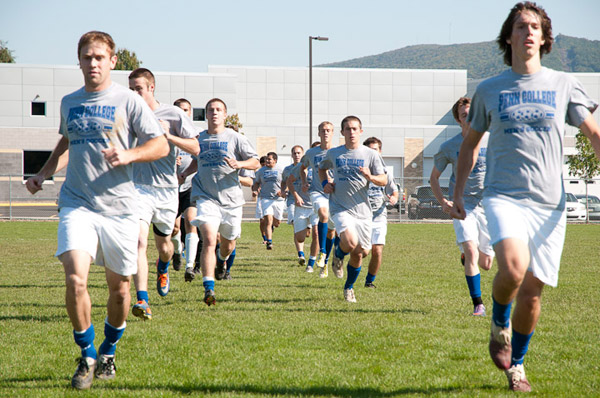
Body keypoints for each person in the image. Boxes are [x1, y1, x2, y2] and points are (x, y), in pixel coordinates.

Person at [450, 2, 600, 392]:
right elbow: (469, 146)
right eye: (521, 26)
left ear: (545, 37)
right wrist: (459, 192)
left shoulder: (564, 84)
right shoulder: (489, 89)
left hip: (550, 205)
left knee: (532, 294)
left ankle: (516, 364)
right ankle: (498, 321)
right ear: (509, 37)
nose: (529, 31)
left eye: (535, 26)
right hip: (503, 197)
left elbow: (593, 132)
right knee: (513, 270)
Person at [25, 31, 169, 390]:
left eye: (99, 57)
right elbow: (67, 141)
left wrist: (130, 155)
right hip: (77, 203)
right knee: (75, 278)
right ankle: (86, 353)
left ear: (112, 60)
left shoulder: (128, 101)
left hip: (120, 209)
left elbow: (161, 145)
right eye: (87, 57)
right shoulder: (69, 102)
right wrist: (43, 173)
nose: (93, 63)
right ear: (79, 61)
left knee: (119, 290)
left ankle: (108, 350)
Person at [128, 68, 199, 321]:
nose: (134, 93)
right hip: (138, 188)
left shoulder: (173, 114)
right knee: (138, 242)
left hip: (167, 190)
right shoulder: (127, 114)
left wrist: (168, 136)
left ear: (151, 88)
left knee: (165, 247)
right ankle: (142, 299)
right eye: (131, 89)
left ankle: (164, 265)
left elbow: (196, 147)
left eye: (138, 89)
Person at [181, 98, 259, 305]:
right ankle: (209, 289)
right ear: (206, 115)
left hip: (232, 200)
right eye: (210, 110)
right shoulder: (200, 140)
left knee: (228, 244)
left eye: (218, 110)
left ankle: (222, 261)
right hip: (206, 197)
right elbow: (197, 164)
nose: (214, 113)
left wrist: (239, 163)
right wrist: (183, 175)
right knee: (208, 239)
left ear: (225, 115)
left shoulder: (235, 138)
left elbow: (256, 162)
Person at [430, 97, 494, 316]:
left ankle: (468, 258)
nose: (470, 118)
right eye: (465, 115)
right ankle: (478, 304)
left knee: (486, 263)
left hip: (487, 206)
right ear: (458, 120)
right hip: (462, 205)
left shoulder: (492, 141)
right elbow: (434, 179)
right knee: (470, 249)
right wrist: (443, 202)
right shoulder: (449, 147)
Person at [319, 116, 386, 303]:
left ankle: (348, 287)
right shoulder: (334, 154)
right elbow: (321, 169)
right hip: (340, 207)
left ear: (361, 131)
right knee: (349, 242)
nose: (351, 132)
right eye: (348, 129)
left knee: (360, 253)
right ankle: (338, 255)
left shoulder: (371, 155)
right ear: (342, 133)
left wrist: (370, 176)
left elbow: (384, 179)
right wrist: (325, 183)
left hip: (363, 211)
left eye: (355, 129)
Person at [300, 122, 337, 278]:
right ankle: (321, 251)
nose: (326, 133)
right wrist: (304, 182)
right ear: (319, 133)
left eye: (328, 130)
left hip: (335, 195)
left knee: (331, 231)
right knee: (323, 214)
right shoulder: (311, 153)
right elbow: (302, 167)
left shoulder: (338, 152)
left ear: (333, 133)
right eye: (323, 131)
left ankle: (325, 261)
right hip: (317, 192)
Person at [363, 137, 399, 288]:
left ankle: (369, 281)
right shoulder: (359, 171)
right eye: (370, 150)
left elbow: (394, 190)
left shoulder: (385, 172)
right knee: (363, 252)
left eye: (376, 149)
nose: (373, 153)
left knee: (377, 251)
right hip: (361, 217)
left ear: (380, 151)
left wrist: (394, 198)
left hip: (379, 216)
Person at [170, 98, 198, 272]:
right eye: (179, 110)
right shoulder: (165, 134)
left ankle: (190, 265)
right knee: (173, 229)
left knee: (190, 221)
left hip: (191, 185)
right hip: (170, 187)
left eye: (186, 110)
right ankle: (178, 250)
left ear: (191, 113)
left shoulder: (198, 134)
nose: (182, 113)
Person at [287, 144, 320, 272]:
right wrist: (296, 196)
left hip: (316, 207)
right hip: (301, 206)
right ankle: (301, 251)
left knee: (317, 233)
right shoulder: (302, 167)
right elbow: (289, 181)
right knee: (300, 237)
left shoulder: (326, 167)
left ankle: (311, 263)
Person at [252, 152, 285, 250]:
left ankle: (272, 228)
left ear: (275, 160)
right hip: (265, 198)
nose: (267, 161)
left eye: (269, 159)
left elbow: (287, 182)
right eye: (266, 159)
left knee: (277, 222)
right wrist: (255, 190)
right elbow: (256, 182)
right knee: (267, 220)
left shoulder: (281, 170)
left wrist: (283, 191)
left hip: (278, 200)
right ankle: (269, 241)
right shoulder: (261, 171)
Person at [281, 145, 306, 265]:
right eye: (294, 153)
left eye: (299, 153)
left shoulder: (307, 168)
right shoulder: (287, 169)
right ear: (291, 155)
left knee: (307, 232)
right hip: (292, 201)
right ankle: (301, 254)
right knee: (296, 226)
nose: (297, 155)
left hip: (308, 203)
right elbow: (283, 181)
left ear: (303, 154)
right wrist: (282, 190)